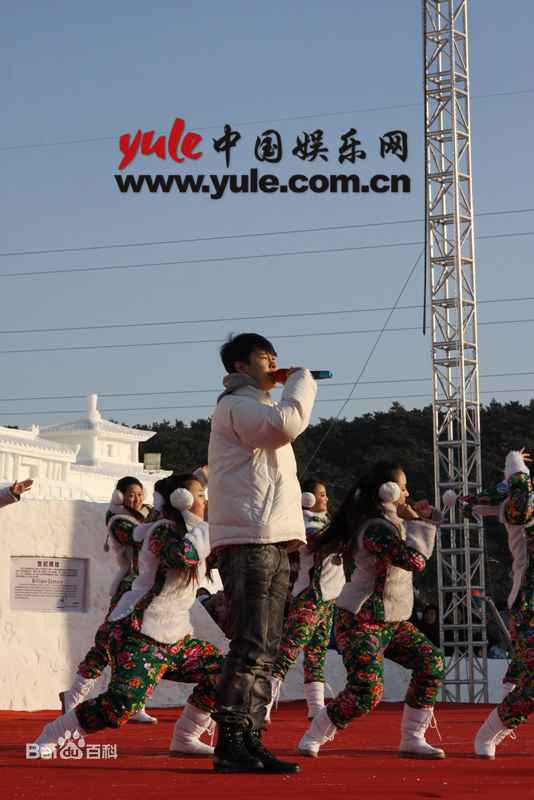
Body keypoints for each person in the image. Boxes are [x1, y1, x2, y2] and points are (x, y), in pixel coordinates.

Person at [33, 473, 226, 759]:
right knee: (122, 703)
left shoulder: (197, 533)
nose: (205, 500)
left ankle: (186, 737)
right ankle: (51, 734)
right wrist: (209, 527)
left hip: (176, 638)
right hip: (139, 632)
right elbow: (180, 557)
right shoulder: (160, 531)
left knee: (225, 672)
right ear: (181, 500)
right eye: (199, 494)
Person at [208, 332, 317, 774]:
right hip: (250, 540)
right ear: (240, 367)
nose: (274, 363)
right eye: (263, 357)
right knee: (250, 645)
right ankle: (230, 742)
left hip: (270, 539)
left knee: (265, 648)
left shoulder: (258, 407)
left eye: (275, 356)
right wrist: (302, 381)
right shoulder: (236, 407)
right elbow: (284, 427)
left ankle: (249, 739)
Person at [297, 461, 446, 759]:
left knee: (432, 663)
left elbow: (417, 542)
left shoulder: (393, 522)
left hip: (392, 621)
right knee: (366, 690)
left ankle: (412, 738)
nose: (405, 492)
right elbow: (414, 560)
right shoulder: (375, 528)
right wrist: (417, 521)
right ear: (387, 491)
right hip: (360, 620)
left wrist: (422, 517)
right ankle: (313, 734)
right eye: (401, 487)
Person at [59, 476, 158, 724]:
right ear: (119, 496)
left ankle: (134, 700)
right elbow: (139, 538)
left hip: (147, 590)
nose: (137, 498)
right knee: (107, 643)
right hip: (128, 590)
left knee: (142, 646)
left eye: (140, 493)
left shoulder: (150, 517)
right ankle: (74, 694)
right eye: (131, 494)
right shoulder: (118, 521)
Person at [459, 449, 534, 759]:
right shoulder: (519, 515)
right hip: (529, 606)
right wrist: (515, 462)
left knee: (523, 674)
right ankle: (489, 733)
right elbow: (519, 488)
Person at [266, 478, 345, 722]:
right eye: (321, 494)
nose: (326, 498)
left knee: (317, 653)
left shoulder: (326, 522)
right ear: (307, 499)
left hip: (328, 597)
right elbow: (325, 541)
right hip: (310, 595)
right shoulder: (304, 524)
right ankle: (264, 703)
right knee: (290, 648)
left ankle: (316, 707)